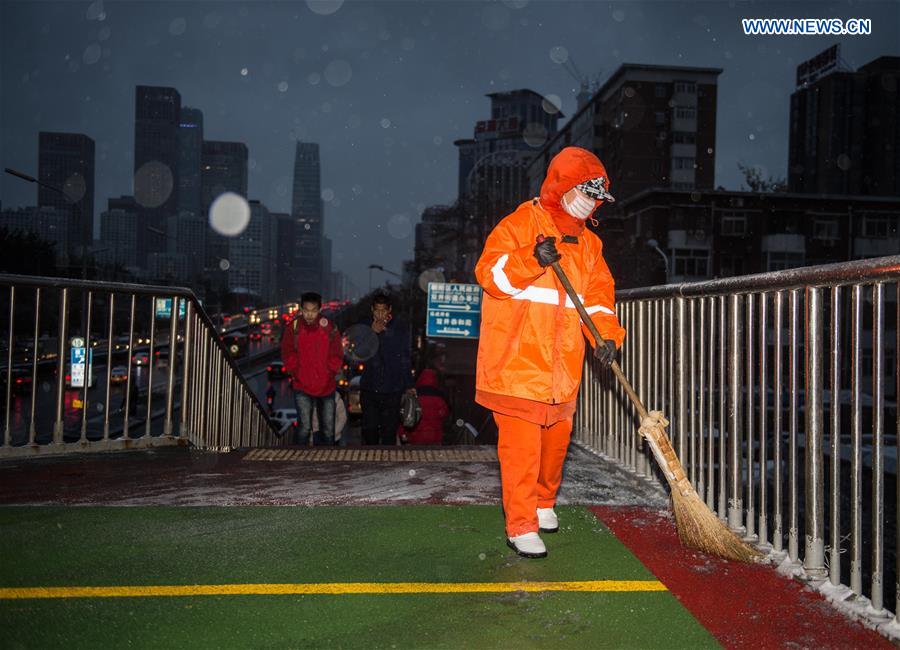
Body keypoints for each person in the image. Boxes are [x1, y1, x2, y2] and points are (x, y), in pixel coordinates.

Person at [474, 146, 626, 559]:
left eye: (596, 197)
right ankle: (520, 525)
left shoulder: (590, 245)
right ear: (563, 186)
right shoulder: (520, 224)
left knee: (555, 446)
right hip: (515, 365)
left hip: (562, 368)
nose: (590, 203)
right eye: (585, 192)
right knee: (522, 452)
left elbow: (598, 300)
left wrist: (606, 337)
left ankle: (543, 503)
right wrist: (530, 259)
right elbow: (490, 275)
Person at [281, 291, 344, 446]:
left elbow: (337, 353)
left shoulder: (330, 327)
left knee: (328, 430)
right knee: (304, 428)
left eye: (313, 310)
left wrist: (329, 372)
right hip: (302, 385)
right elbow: (287, 352)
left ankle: (326, 460)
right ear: (301, 309)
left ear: (320, 309)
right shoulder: (293, 328)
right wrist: (296, 371)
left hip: (326, 386)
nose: (309, 315)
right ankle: (301, 460)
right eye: (306, 310)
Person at [359, 293, 415, 445]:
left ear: (389, 310)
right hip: (369, 387)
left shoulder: (399, 327)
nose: (380, 314)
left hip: (393, 389)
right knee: (369, 430)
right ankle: (370, 458)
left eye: (383, 310)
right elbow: (356, 351)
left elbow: (404, 357)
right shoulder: (364, 326)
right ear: (372, 310)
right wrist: (371, 332)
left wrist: (409, 384)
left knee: (389, 432)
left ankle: (387, 459)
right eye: (377, 310)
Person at [398, 368, 449, 445]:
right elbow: (444, 414)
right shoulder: (439, 397)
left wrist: (402, 433)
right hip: (434, 437)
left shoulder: (413, 397)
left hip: (415, 437)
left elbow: (405, 416)